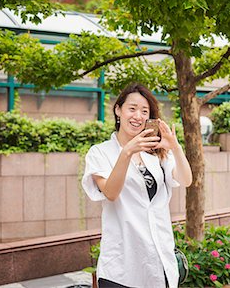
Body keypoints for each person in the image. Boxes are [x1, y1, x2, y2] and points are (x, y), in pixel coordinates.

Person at [82, 83, 193, 288]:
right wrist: (126, 153)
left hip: (159, 261)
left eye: (144, 111)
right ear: (118, 110)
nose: (138, 116)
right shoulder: (100, 153)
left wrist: (175, 147)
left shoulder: (156, 153)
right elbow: (111, 193)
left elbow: (186, 180)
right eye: (132, 109)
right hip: (122, 267)